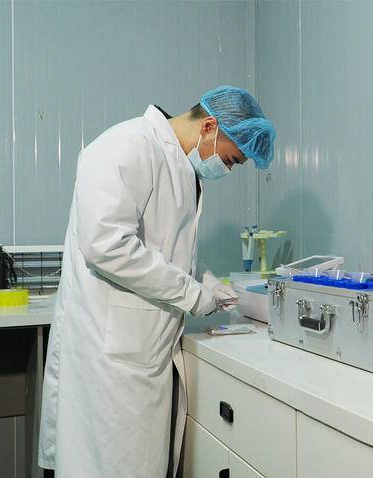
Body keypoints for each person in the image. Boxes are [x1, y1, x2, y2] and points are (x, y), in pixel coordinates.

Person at [37, 86, 276, 477]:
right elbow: (106, 245)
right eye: (231, 159)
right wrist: (191, 294)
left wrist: (205, 281)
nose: (228, 169)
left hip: (142, 356)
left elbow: (161, 250)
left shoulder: (179, 166)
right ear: (209, 127)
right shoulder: (126, 145)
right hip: (109, 362)